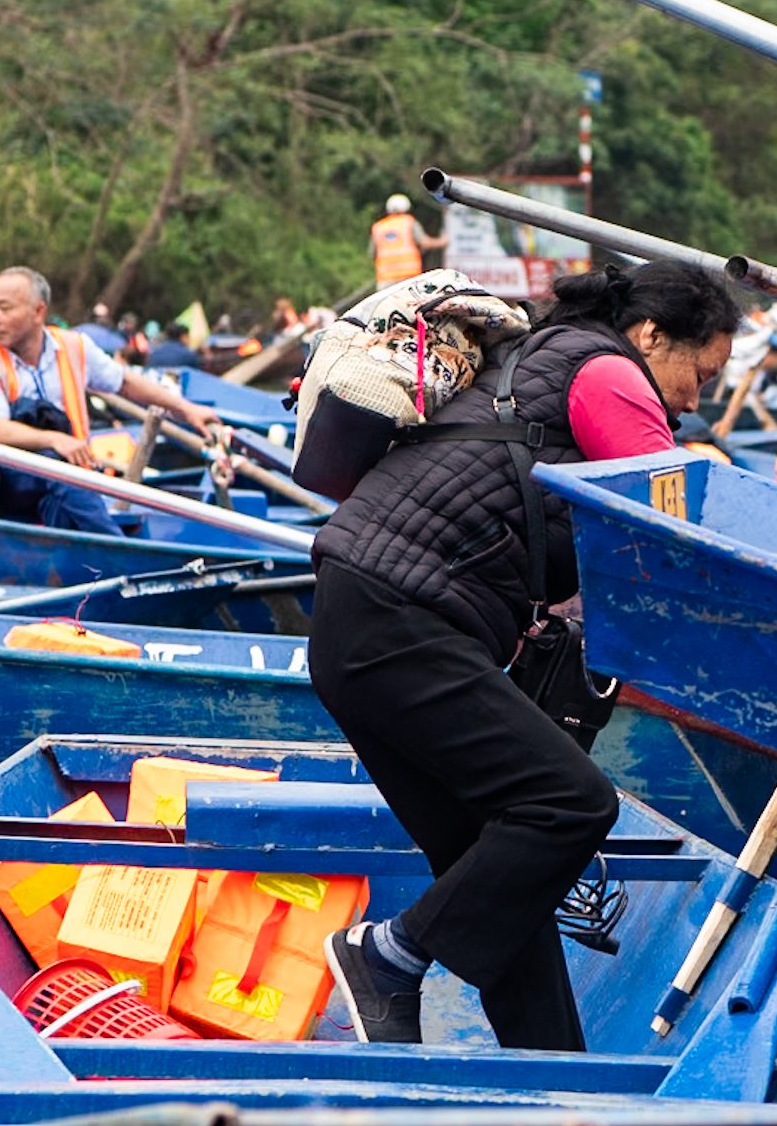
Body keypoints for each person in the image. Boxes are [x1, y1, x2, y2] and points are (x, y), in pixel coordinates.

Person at [309, 261, 741, 1051]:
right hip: (400, 623)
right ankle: (389, 956)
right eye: (698, 374)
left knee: (499, 876)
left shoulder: (548, 358)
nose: (692, 400)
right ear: (650, 335)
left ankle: (558, 1081)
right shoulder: (609, 371)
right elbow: (677, 533)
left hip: (356, 622)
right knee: (572, 802)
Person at [0, 267, 221, 532]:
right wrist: (56, 440)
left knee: (65, 499)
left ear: (38, 312)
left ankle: (78, 551)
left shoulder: (74, 346)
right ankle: (117, 549)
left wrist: (186, 409)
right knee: (58, 468)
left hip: (63, 478)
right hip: (4, 481)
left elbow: (125, 382)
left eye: (4, 309)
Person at [373, 194, 449, 289]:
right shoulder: (409, 222)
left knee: (387, 303)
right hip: (408, 276)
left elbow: (374, 253)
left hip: (385, 278)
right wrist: (442, 242)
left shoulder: (378, 227)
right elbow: (424, 243)